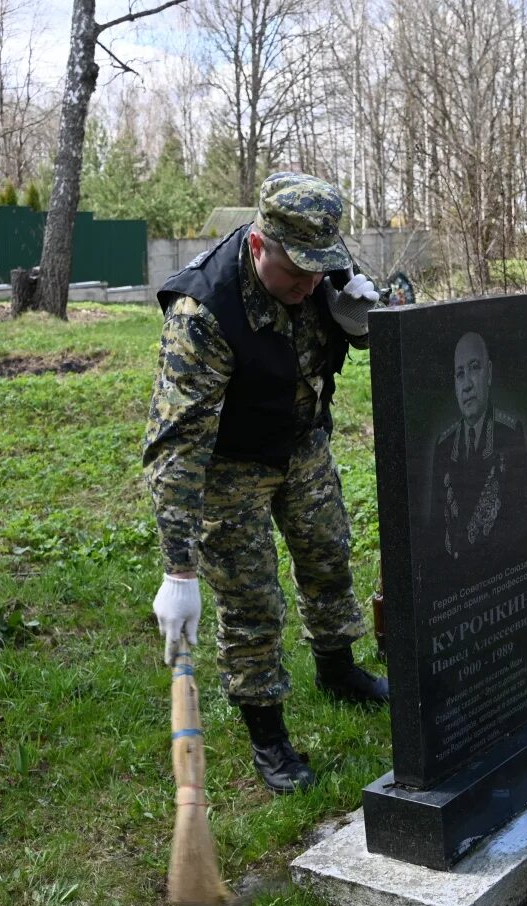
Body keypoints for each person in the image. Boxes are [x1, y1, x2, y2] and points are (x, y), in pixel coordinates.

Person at [145, 172, 390, 797]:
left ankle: (337, 669)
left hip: (301, 441)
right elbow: (176, 449)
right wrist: (179, 572)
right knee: (252, 601)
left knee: (328, 556)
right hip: (230, 465)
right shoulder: (202, 314)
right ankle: (269, 734)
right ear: (260, 247)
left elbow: (371, 308)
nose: (310, 284)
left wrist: (367, 321)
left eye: (320, 269)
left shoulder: (319, 261)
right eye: (298, 272)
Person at [428, 331, 527, 574]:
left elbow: (518, 524)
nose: (466, 385)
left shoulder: (509, 433)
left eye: (474, 368)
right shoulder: (444, 446)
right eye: (459, 374)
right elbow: (436, 530)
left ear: (488, 373)